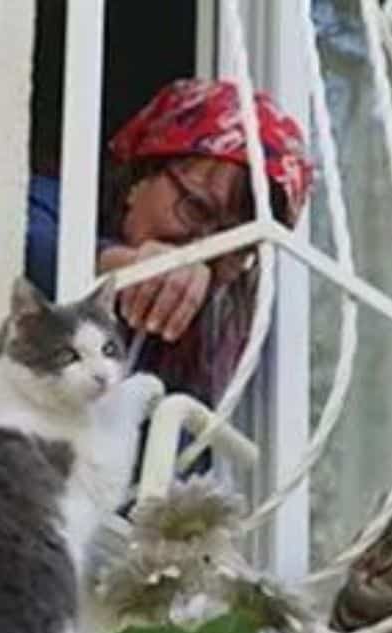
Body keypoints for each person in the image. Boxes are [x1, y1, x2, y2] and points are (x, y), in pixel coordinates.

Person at [25, 78, 313, 408]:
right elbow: (9, 237)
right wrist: (118, 267)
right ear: (139, 177)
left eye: (238, 246)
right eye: (196, 208)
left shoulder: (199, 354)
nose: (206, 250)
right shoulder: (52, 207)